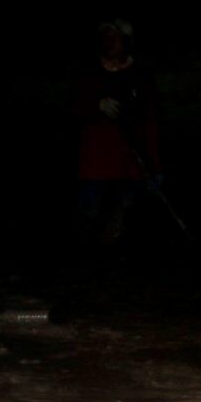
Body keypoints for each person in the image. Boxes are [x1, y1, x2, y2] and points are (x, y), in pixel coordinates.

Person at [73, 18, 162, 252]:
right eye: (105, 38)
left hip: (129, 162)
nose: (109, 44)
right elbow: (73, 109)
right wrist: (95, 105)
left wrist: (154, 165)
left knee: (122, 217)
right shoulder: (88, 74)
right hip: (93, 163)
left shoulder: (140, 76)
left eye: (115, 38)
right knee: (90, 214)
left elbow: (150, 121)